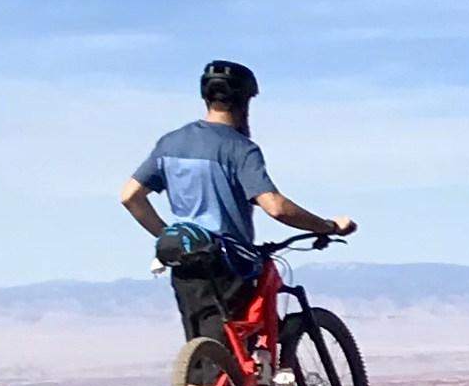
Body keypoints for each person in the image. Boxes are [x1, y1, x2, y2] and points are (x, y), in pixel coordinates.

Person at [119, 60, 356, 340]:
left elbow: (129, 197)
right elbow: (275, 207)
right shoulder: (240, 148)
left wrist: (170, 235)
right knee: (225, 357)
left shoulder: (170, 143)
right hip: (227, 264)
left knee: (203, 353)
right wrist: (325, 226)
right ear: (246, 102)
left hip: (183, 261)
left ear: (206, 98)